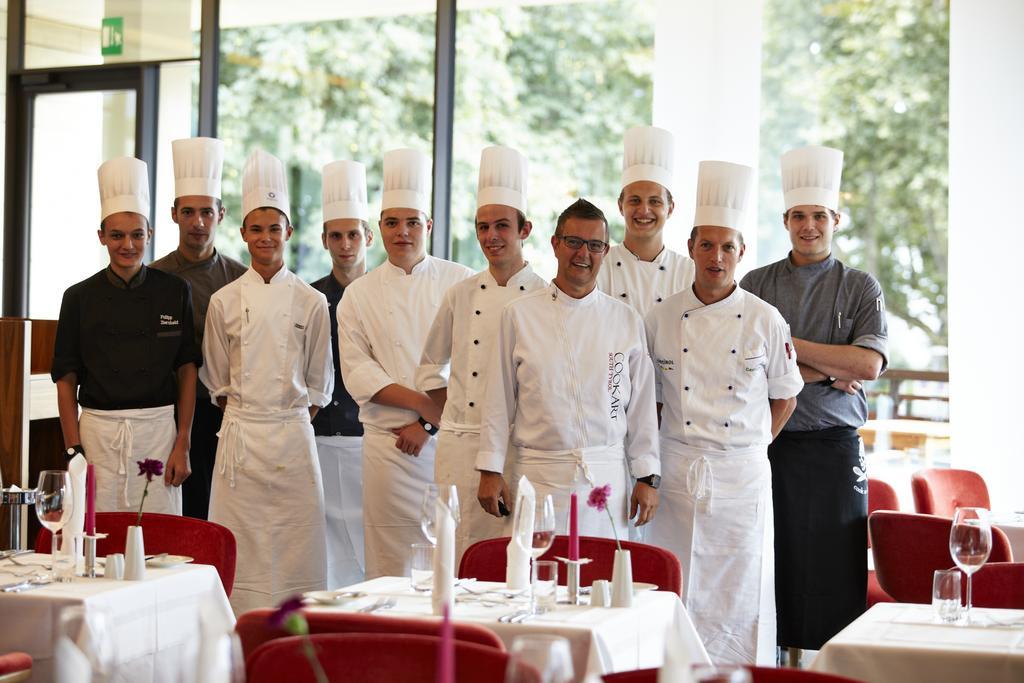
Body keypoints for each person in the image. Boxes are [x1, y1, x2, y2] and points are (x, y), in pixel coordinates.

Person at [646, 160, 802, 665]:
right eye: (707, 245)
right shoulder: (661, 318)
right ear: (690, 247)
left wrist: (751, 447)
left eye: (728, 246)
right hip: (675, 472)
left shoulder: (765, 319)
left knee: (741, 593)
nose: (717, 257)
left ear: (742, 252)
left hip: (741, 477)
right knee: (674, 587)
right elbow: (651, 399)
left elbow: (786, 395)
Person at [740, 145, 887, 656]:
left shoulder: (860, 287)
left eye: (819, 216)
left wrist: (788, 351)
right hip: (771, 446)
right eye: (799, 216)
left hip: (835, 449)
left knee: (835, 568)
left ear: (836, 220)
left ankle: (834, 670)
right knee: (772, 565)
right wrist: (832, 365)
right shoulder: (756, 284)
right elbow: (746, 369)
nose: (809, 225)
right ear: (785, 221)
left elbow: (868, 366)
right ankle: (772, 665)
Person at [476, 198, 660, 536]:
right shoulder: (519, 315)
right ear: (556, 244)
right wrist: (490, 469)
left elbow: (642, 408)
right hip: (539, 476)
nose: (583, 254)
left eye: (594, 245)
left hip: (606, 481)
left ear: (605, 251)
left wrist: (648, 476)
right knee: (535, 579)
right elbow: (498, 399)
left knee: (601, 581)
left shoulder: (625, 319)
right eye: (574, 242)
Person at [200, 149, 333, 613]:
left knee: (298, 541)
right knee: (241, 542)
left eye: (273, 228)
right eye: (255, 228)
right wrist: (252, 416)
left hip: (294, 438)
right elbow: (216, 378)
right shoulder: (223, 302)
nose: (264, 237)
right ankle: (236, 628)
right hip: (240, 439)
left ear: (289, 233)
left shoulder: (312, 302)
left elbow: (320, 384)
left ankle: (300, 632)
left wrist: (285, 418)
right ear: (242, 234)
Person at [338, 148, 474, 578]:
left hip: (449, 442)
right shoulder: (359, 293)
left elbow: (473, 364)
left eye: (413, 222)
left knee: (450, 553)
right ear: (379, 230)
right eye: (393, 223)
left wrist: (429, 424)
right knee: (390, 559)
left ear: (428, 226)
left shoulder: (461, 282)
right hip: (387, 446)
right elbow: (359, 370)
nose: (403, 232)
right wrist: (420, 403)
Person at [416, 146, 547, 564]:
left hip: (516, 447)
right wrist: (447, 418)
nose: (491, 236)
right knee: (454, 556)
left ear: (525, 229)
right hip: (457, 446)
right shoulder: (461, 293)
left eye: (502, 226)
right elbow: (428, 366)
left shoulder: (545, 297)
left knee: (507, 558)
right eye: (483, 226)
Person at [52, 156, 199, 513]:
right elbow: (66, 379)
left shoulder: (175, 291)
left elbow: (187, 370)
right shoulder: (78, 297)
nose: (127, 245)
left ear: (150, 233)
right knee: (95, 535)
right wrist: (74, 450)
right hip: (98, 436)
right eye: (116, 235)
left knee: (160, 539)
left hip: (158, 433)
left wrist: (183, 442)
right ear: (101, 236)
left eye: (136, 235)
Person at [150, 137, 247, 520]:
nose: (198, 222)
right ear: (174, 214)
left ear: (221, 214)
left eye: (206, 211)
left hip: (227, 412)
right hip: (168, 413)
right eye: (188, 212)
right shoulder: (154, 277)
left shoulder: (241, 278)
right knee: (179, 511)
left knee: (225, 511)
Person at [310, 159, 373, 588]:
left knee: (371, 542)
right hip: (317, 436)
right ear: (324, 240)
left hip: (370, 439)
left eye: (353, 234)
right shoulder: (310, 297)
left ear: (368, 237)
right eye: (337, 235)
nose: (345, 244)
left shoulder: (383, 294)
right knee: (323, 544)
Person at [597, 125, 694, 316]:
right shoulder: (599, 266)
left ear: (670, 208)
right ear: (620, 206)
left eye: (655, 201)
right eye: (635, 200)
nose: (644, 210)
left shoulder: (689, 272)